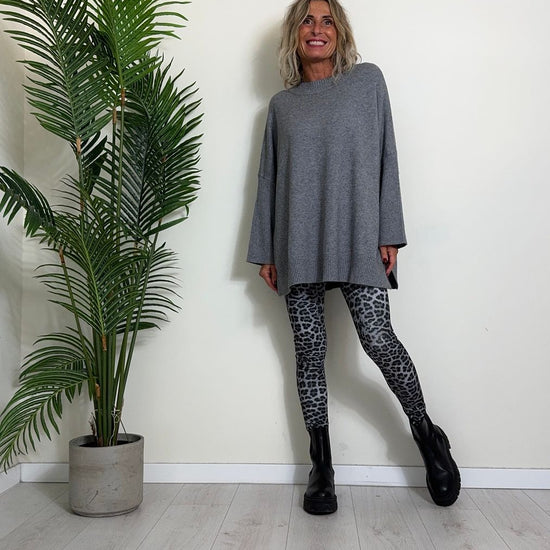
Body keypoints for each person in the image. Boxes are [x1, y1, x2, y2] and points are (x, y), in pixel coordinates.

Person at [247, 0, 460, 515]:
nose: (316, 29)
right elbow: (269, 180)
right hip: (297, 240)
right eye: (307, 20)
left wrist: (389, 231)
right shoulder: (281, 106)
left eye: (327, 21)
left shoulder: (367, 82)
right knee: (309, 351)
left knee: (378, 339)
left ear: (339, 32)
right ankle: (321, 466)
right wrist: (266, 250)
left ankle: (427, 436)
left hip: (360, 233)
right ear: (295, 34)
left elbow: (388, 154)